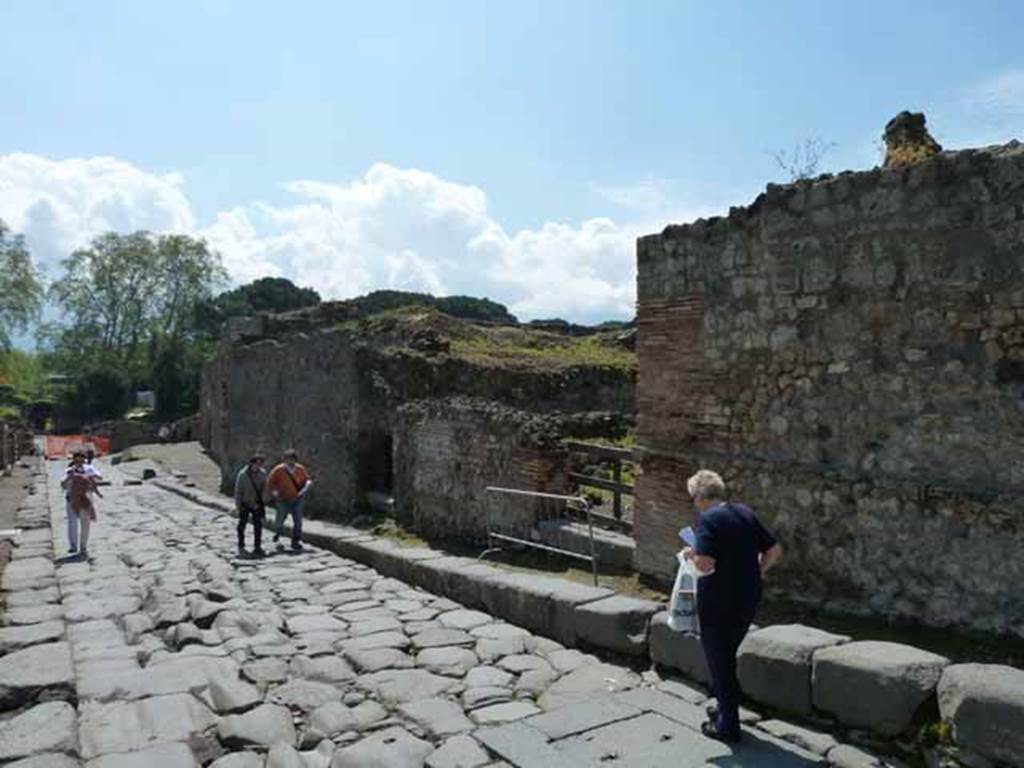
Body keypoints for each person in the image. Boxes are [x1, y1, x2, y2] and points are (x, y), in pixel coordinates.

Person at [681, 469, 782, 744]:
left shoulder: (708, 520)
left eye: (693, 497)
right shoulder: (744, 512)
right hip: (748, 596)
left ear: (701, 497)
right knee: (728, 654)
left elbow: (706, 564)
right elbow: (774, 550)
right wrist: (759, 571)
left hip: (718, 601)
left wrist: (691, 555)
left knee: (719, 660)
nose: (693, 503)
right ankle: (726, 709)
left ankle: (728, 725)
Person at [265, 448, 313, 552]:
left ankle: (295, 541)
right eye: (288, 459)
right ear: (284, 460)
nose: (290, 461)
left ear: (295, 460)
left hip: (297, 498)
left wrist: (307, 486)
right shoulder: (278, 470)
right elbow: (270, 482)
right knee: (280, 518)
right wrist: (275, 492)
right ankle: (278, 532)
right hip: (282, 499)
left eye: (292, 459)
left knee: (298, 520)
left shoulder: (300, 469)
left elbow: (307, 480)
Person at [61, 451, 103, 558]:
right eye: (77, 460)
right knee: (72, 522)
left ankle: (83, 546)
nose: (79, 463)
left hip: (86, 498)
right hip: (72, 498)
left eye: (81, 460)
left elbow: (99, 477)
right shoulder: (69, 470)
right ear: (74, 460)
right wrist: (69, 479)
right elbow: (63, 483)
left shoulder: (89, 468)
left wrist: (90, 475)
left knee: (86, 523)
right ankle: (73, 546)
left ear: (84, 460)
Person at [234, 452, 268, 558]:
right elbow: (238, 491)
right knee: (241, 525)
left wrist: (263, 501)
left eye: (259, 464)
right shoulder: (242, 475)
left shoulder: (263, 474)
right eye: (256, 464)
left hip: (257, 504)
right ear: (251, 464)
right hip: (245, 503)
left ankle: (257, 546)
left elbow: (265, 488)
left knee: (258, 525)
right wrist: (238, 506)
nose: (257, 466)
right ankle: (241, 545)